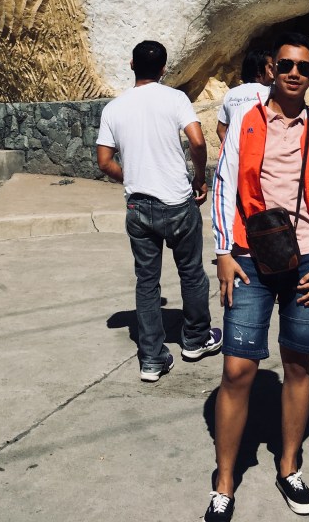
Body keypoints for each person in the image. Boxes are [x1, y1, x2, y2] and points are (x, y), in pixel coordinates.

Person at [205, 32, 309, 521]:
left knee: (298, 364)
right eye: (286, 64)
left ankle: (289, 467)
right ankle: (225, 482)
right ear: (271, 68)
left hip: (307, 261)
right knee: (236, 369)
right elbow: (224, 184)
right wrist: (223, 251)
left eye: (303, 67)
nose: (293, 73)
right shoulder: (246, 120)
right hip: (248, 258)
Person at [96, 40, 221, 382]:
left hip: (139, 205)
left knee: (147, 282)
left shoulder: (114, 108)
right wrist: (200, 178)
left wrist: (131, 177)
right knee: (191, 274)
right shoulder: (175, 99)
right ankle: (195, 340)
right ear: (164, 69)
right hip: (178, 202)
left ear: (131, 65)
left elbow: (104, 161)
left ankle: (151, 359)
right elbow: (197, 141)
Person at [216, 49, 274, 143]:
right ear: (259, 71)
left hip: (236, 151)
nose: (274, 71)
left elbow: (221, 130)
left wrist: (231, 149)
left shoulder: (231, 93)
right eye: (270, 67)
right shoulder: (272, 91)